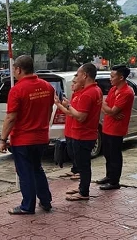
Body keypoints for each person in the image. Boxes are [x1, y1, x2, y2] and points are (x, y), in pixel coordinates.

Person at [0, 55, 55, 215]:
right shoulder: (47, 87)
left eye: (14, 70)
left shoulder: (17, 90)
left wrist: (3, 139)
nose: (14, 73)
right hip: (41, 137)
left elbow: (11, 117)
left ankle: (27, 206)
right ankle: (46, 201)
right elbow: (49, 110)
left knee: (25, 173)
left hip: (23, 139)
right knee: (37, 168)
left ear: (18, 69)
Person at [55, 63, 102, 201]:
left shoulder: (89, 93)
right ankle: (83, 187)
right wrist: (61, 105)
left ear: (85, 75)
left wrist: (68, 105)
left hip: (83, 135)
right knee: (82, 165)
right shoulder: (94, 90)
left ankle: (84, 192)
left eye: (78, 74)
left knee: (84, 165)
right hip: (83, 134)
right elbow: (74, 113)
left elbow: (81, 117)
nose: (76, 76)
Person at [96, 65, 134, 190]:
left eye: (113, 76)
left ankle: (114, 181)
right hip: (107, 126)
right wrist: (109, 110)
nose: (110, 79)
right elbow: (109, 108)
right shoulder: (113, 90)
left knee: (115, 155)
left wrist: (104, 105)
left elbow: (111, 110)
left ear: (121, 77)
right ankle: (109, 176)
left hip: (117, 129)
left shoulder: (127, 92)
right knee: (107, 154)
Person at [57, 76, 82, 182]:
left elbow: (70, 113)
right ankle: (74, 169)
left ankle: (79, 171)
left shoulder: (81, 96)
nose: (72, 85)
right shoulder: (74, 95)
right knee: (71, 150)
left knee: (77, 152)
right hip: (69, 128)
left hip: (75, 129)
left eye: (75, 83)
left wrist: (60, 105)